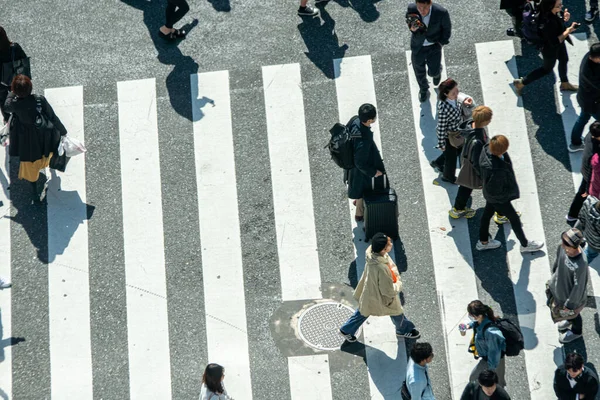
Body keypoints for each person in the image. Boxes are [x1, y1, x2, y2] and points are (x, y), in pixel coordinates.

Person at [339, 232, 421, 342]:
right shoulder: (382, 269)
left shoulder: (371, 254)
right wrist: (398, 285)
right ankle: (403, 330)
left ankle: (347, 330)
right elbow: (388, 290)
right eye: (389, 243)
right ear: (383, 249)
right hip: (380, 297)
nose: (391, 244)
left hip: (370, 291)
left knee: (364, 310)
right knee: (396, 311)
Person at [4, 74, 67, 202]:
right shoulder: (39, 100)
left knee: (30, 163)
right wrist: (62, 130)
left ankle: (34, 193)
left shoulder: (14, 104)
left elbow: (6, 106)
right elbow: (52, 116)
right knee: (47, 151)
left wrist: (11, 93)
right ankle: (50, 165)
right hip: (42, 134)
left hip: (25, 138)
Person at [477, 135, 544, 252]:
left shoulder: (486, 150)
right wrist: (507, 196)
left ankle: (483, 241)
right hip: (498, 198)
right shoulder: (496, 170)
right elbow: (497, 190)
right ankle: (525, 244)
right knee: (514, 219)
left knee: (487, 215)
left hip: (489, 193)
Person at [513, 0, 579, 96]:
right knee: (546, 69)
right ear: (550, 7)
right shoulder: (547, 22)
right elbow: (554, 41)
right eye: (558, 6)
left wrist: (564, 18)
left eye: (561, 4)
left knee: (564, 59)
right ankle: (521, 82)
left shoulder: (549, 12)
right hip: (549, 48)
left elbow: (557, 25)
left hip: (557, 43)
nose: (561, 7)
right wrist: (569, 30)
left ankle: (564, 83)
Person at [449, 105, 492, 219]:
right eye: (489, 119)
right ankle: (501, 212)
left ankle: (458, 209)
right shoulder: (477, 140)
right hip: (473, 166)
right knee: (472, 186)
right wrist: (483, 176)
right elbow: (477, 161)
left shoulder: (470, 125)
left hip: (466, 159)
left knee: (466, 185)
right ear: (484, 121)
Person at [547, 228, 588, 343]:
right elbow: (557, 262)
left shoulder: (581, 264)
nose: (562, 244)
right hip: (558, 289)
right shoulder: (562, 246)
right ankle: (568, 319)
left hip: (569, 299)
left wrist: (570, 305)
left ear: (574, 246)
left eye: (566, 243)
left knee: (573, 315)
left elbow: (578, 288)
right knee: (562, 312)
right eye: (563, 240)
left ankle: (576, 332)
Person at [406, 0, 451, 102]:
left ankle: (436, 73)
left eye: (425, 8)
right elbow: (408, 18)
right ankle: (423, 89)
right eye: (419, 8)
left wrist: (440, 44)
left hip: (434, 46)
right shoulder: (412, 8)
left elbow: (447, 29)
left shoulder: (441, 12)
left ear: (430, 4)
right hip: (418, 46)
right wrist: (411, 28)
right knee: (418, 71)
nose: (422, 11)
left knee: (434, 70)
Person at [346, 103, 384, 222]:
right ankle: (359, 213)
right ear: (369, 120)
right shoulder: (363, 139)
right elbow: (360, 163)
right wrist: (373, 172)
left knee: (356, 185)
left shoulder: (355, 120)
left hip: (350, 160)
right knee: (362, 188)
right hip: (358, 169)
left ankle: (357, 200)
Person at [430, 79, 471, 183]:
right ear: (445, 94)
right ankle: (448, 177)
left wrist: (464, 102)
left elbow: (459, 100)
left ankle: (438, 163)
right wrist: (441, 144)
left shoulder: (455, 98)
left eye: (457, 90)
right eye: (453, 93)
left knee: (454, 153)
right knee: (451, 159)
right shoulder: (443, 108)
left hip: (457, 132)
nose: (457, 94)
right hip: (449, 136)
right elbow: (441, 127)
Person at [460, 301, 507, 387]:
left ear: (479, 316)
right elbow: (476, 323)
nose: (470, 317)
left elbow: (494, 353)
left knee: (476, 379)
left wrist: (490, 371)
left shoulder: (491, 333)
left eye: (472, 316)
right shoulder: (481, 321)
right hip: (488, 358)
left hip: (493, 361)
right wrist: (468, 326)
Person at [568, 43, 600, 152]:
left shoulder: (589, 56)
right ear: (594, 58)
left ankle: (575, 143)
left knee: (582, 118)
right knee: (584, 119)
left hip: (585, 98)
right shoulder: (590, 73)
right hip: (592, 103)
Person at [567, 122, 600, 223]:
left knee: (582, 194)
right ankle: (575, 215)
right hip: (589, 175)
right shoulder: (596, 151)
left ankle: (572, 214)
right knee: (584, 194)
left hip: (585, 169)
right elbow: (592, 172)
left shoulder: (589, 135)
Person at [0, 26, 27, 123]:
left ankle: (7, 119)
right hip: (15, 78)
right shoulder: (14, 47)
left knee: (2, 99)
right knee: (20, 95)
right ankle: (22, 115)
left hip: (1, 82)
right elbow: (24, 60)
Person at [577, 195, 600, 264]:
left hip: (589, 236)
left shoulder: (589, 201)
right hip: (596, 244)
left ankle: (577, 266)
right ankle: (578, 267)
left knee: (589, 253)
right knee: (589, 255)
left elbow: (581, 218)